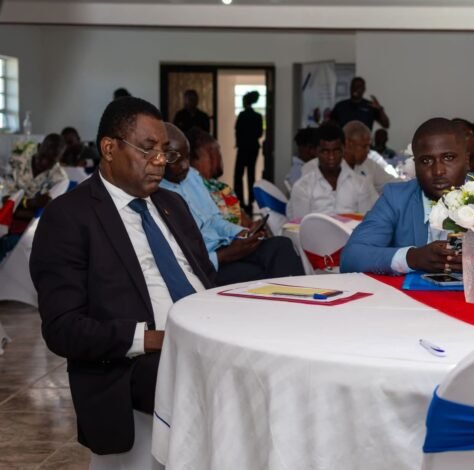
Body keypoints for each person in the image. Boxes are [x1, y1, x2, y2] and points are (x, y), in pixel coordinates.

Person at [29, 97, 216, 462]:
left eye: (164, 152)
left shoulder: (173, 206)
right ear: (109, 148)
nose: (160, 161)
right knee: (212, 383)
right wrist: (151, 338)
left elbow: (204, 280)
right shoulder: (69, 216)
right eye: (148, 150)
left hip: (205, 334)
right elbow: (62, 328)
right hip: (131, 362)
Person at [340, 117, 474, 276]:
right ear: (415, 165)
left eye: (448, 158)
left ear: (467, 160)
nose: (438, 171)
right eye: (426, 161)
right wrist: (412, 258)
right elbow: (352, 257)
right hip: (414, 309)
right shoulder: (396, 198)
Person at [161, 123, 303, 285]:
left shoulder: (192, 177)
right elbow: (181, 256)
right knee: (259, 273)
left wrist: (242, 233)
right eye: (177, 160)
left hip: (225, 245)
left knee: (281, 245)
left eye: (187, 157)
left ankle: (298, 298)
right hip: (207, 263)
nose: (185, 165)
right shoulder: (158, 194)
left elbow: (215, 220)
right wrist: (226, 255)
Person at [287, 123, 378, 219]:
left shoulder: (360, 184)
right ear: (316, 151)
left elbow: (366, 222)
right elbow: (299, 225)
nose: (331, 157)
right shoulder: (303, 187)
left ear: (343, 149)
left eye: (336, 151)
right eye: (325, 151)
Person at [188, 128, 251, 227]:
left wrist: (253, 227)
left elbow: (244, 221)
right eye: (215, 152)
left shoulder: (221, 187)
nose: (220, 157)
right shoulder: (192, 190)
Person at [234, 90, 264, 211]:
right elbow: (260, 133)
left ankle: (240, 199)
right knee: (251, 174)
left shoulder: (242, 115)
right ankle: (251, 200)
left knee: (239, 174)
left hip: (243, 148)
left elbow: (237, 131)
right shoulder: (258, 116)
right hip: (253, 147)